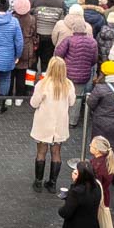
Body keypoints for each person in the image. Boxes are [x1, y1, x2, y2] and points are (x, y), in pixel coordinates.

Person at [29, 57, 76, 191]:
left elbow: (34, 103)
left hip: (44, 122)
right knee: (56, 152)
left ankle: (38, 182)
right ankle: (52, 183)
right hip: (60, 123)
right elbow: (72, 102)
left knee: (41, 152)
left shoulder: (42, 84)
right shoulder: (68, 84)